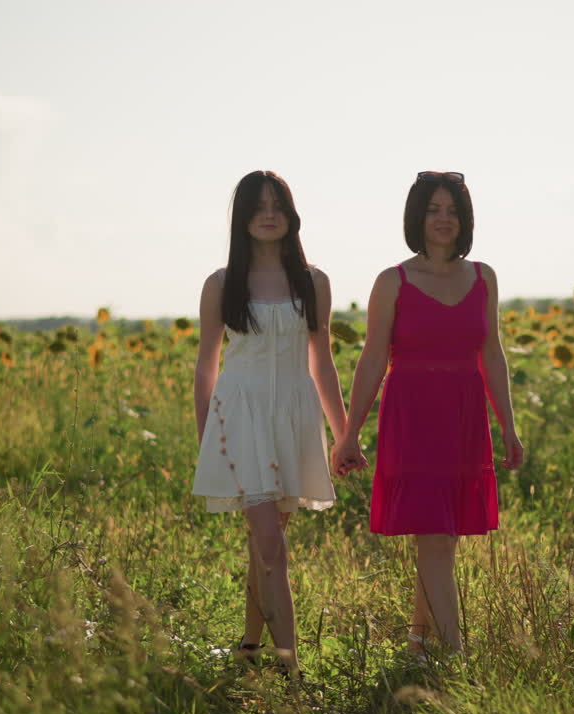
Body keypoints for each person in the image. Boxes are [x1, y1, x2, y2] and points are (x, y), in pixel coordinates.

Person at [332, 171, 524, 658]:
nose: (444, 219)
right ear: (417, 216)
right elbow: (373, 357)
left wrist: (509, 427)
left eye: (453, 210)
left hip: (463, 415)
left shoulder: (484, 277)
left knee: (445, 539)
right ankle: (454, 654)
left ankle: (419, 644)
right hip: (412, 416)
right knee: (435, 538)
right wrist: (350, 432)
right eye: (435, 209)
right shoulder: (392, 281)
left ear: (465, 220)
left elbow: (493, 355)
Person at [192, 170, 347, 678]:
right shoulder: (220, 284)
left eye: (277, 204)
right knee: (272, 546)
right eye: (258, 206)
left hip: (294, 418)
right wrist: (205, 441)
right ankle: (291, 670)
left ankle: (249, 649)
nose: (268, 213)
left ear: (290, 213)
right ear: (242, 217)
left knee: (268, 540)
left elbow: (322, 362)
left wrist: (344, 435)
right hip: (238, 420)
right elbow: (206, 366)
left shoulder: (314, 281)